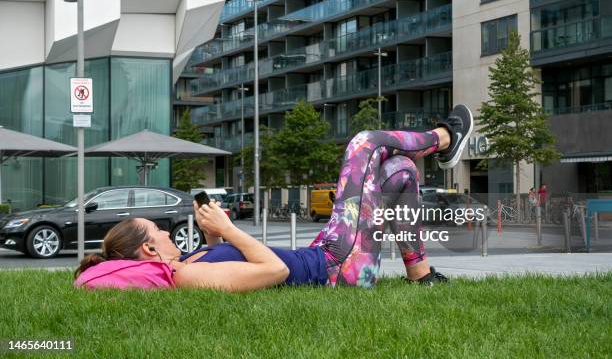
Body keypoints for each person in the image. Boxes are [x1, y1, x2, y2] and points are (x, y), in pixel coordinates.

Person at [75, 105, 474, 292]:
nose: (167, 234)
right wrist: (230, 231)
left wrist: (212, 239)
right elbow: (276, 271)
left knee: (399, 172)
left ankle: (420, 276)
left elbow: (227, 260)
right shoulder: (186, 275)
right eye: (159, 233)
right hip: (338, 269)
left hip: (326, 253)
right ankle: (444, 138)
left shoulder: (187, 262)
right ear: (148, 249)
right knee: (365, 143)